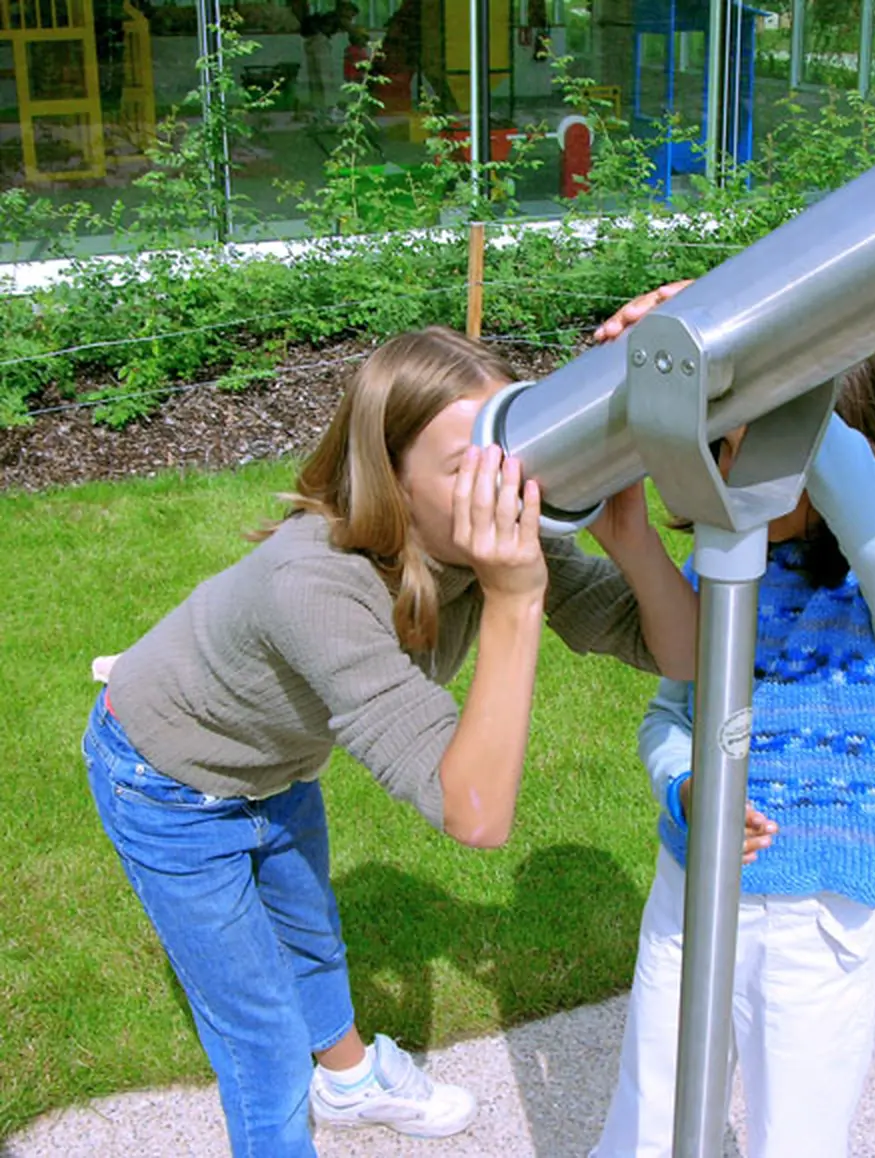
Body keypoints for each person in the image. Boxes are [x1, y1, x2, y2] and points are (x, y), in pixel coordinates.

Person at [83, 326, 697, 1158]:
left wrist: (629, 536)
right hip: (162, 777)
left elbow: (684, 652)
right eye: (466, 466)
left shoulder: (480, 542)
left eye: (509, 449)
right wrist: (514, 599)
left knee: (311, 936)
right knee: (261, 1047)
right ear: (392, 477)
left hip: (276, 764)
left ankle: (349, 1079)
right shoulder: (314, 581)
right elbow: (473, 813)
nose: (506, 484)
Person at [590, 284, 875, 1158]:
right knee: (647, 1123)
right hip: (691, 893)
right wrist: (685, 784)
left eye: (747, 444)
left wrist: (772, 359)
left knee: (795, 1137)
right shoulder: (726, 570)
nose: (726, 473)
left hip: (816, 931)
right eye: (721, 448)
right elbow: (672, 713)